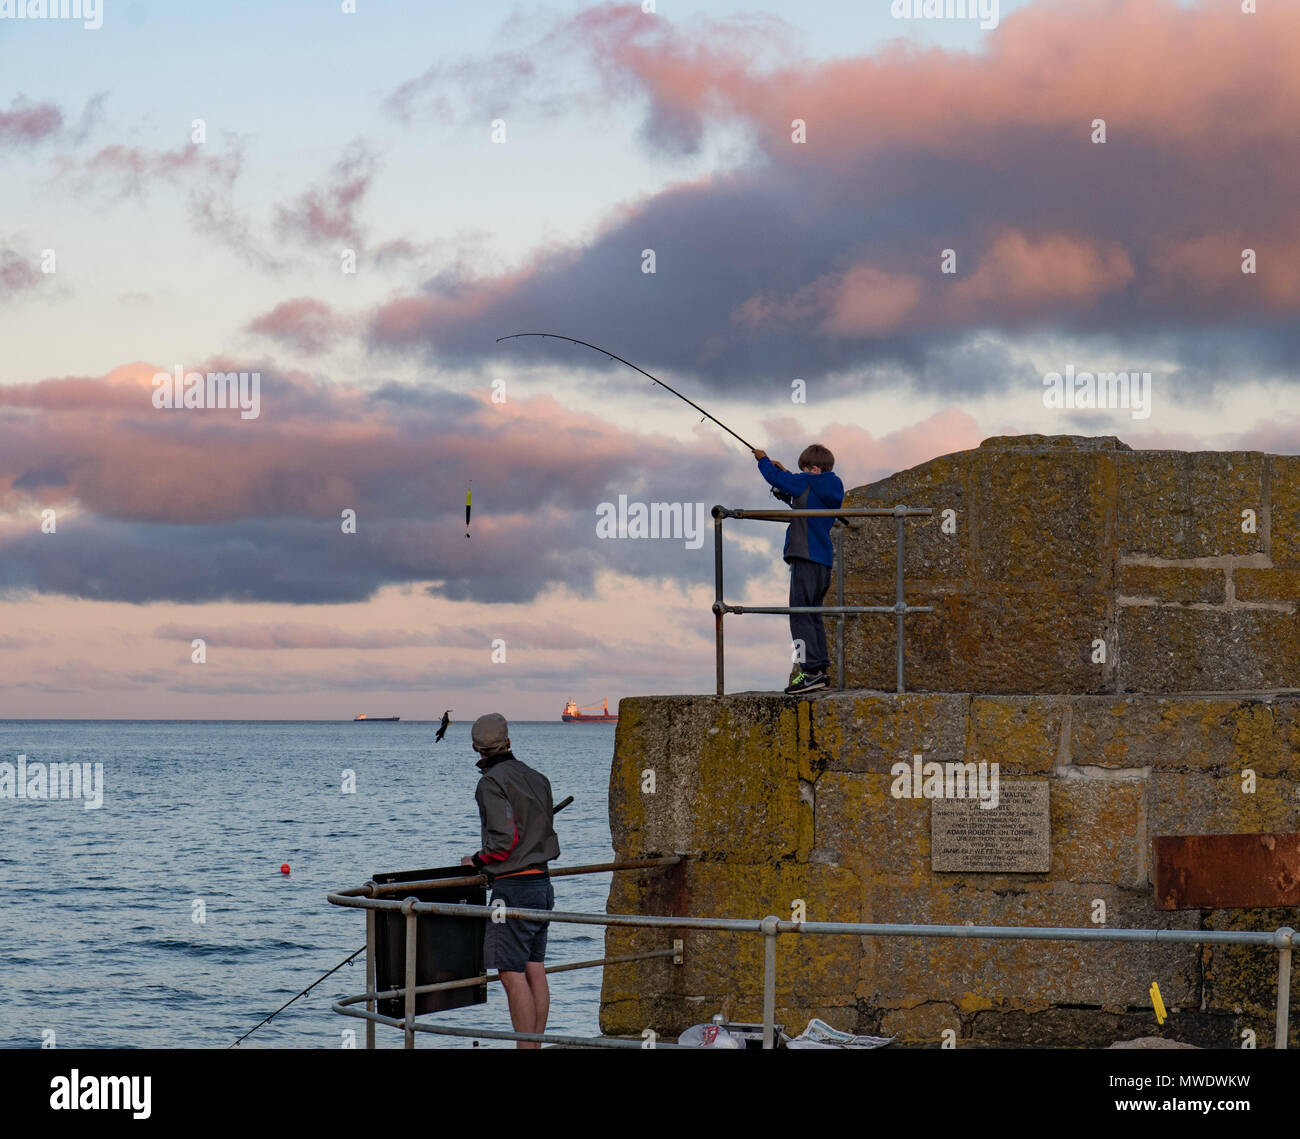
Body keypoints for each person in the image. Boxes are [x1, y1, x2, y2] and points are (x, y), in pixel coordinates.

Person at [461, 713, 560, 1049]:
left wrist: (475, 861)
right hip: (542, 885)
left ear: (476, 748)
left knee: (509, 973)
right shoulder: (537, 778)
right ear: (508, 742)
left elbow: (503, 843)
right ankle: (533, 1046)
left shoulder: (491, 783)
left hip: (513, 889)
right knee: (535, 969)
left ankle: (524, 1048)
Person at [751, 443, 845, 695]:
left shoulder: (807, 481)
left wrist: (763, 460)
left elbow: (774, 478)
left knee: (799, 615)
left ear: (813, 468)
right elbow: (798, 489)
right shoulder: (831, 486)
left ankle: (811, 672)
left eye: (804, 469)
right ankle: (820, 671)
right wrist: (791, 475)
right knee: (812, 614)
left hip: (805, 556)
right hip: (823, 561)